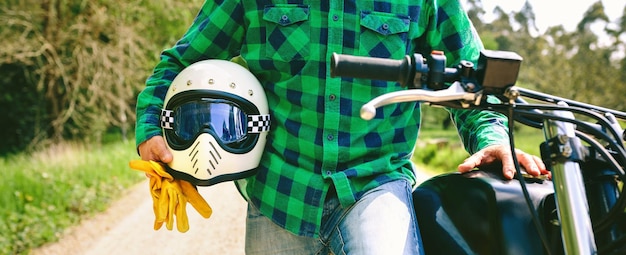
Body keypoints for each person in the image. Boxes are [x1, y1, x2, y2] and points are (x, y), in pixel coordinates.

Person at [135, 0, 548, 254]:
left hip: (376, 183)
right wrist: (152, 129)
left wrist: (493, 139)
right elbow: (177, 63)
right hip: (280, 191)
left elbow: (477, 82)